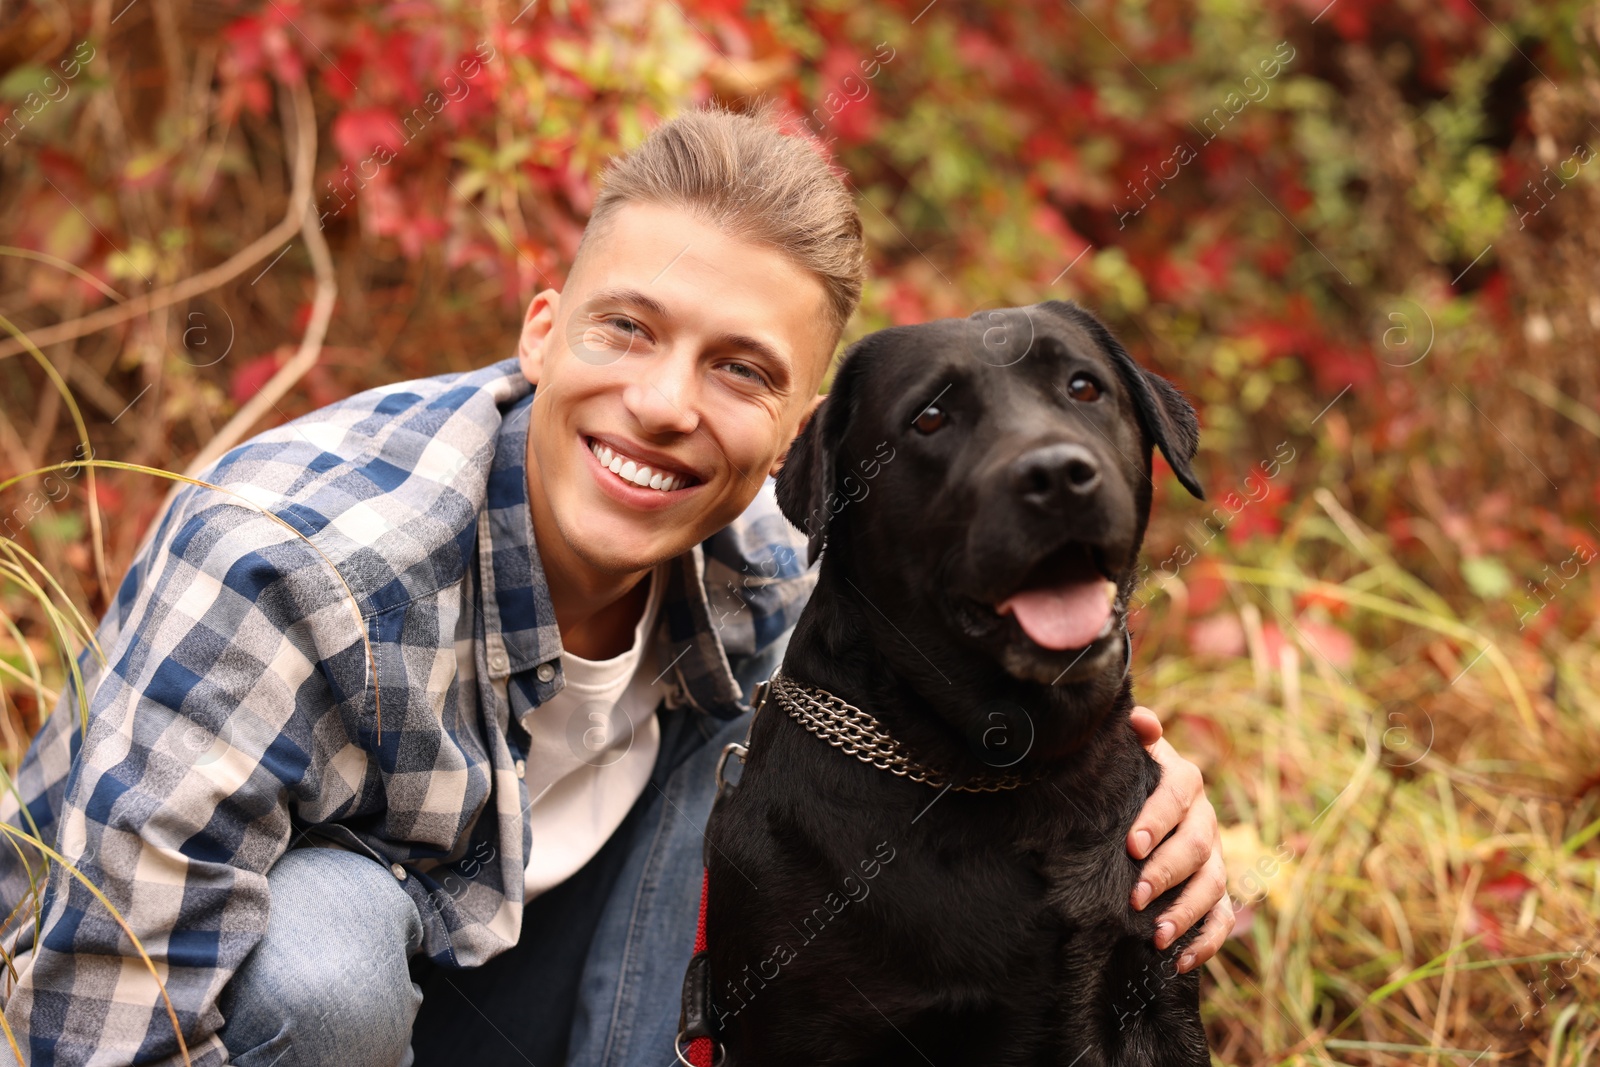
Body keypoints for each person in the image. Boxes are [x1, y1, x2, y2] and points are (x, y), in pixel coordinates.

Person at [0, 102, 1233, 1067]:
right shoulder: (291, 564)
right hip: (248, 1026)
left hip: (538, 1007)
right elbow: (100, 1018)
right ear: (541, 328)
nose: (663, 404)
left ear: (798, 433)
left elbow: (951, 688)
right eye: (628, 329)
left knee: (760, 750)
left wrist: (1141, 796)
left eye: (740, 368)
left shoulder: (772, 556)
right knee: (328, 952)